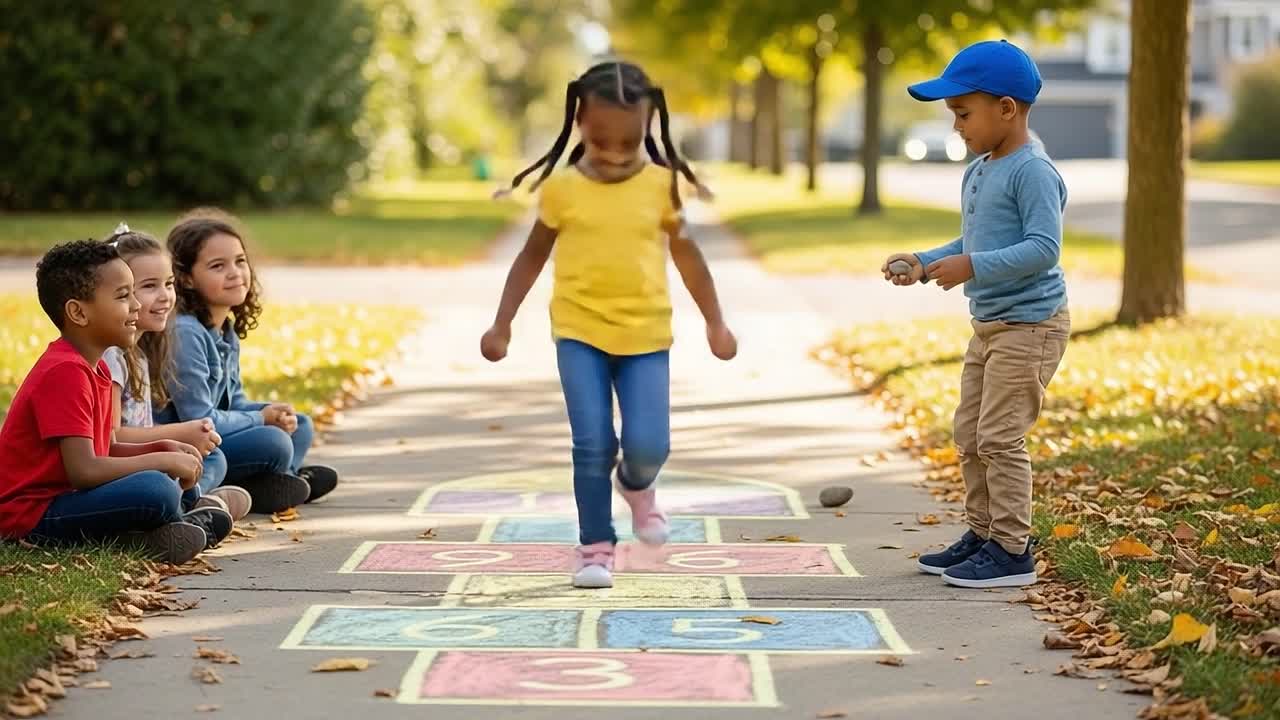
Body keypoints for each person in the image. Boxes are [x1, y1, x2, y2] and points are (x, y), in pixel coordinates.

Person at [481, 61, 737, 589]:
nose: (618, 154)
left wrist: (715, 322)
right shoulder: (563, 190)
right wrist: (502, 323)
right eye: (602, 140)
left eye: (630, 140)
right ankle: (595, 545)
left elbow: (689, 258)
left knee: (650, 446)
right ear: (579, 124)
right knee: (592, 442)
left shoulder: (663, 186)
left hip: (646, 334)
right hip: (579, 331)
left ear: (649, 125)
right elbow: (530, 258)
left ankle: (637, 486)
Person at [883, 40, 1071, 589]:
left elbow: (1043, 248)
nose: (957, 127)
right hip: (990, 325)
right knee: (969, 433)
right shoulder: (983, 168)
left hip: (1031, 326)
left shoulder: (1032, 171)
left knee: (1000, 437)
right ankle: (984, 533)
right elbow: (976, 239)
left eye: (964, 114)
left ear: (1006, 108)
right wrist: (925, 261)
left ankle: (1012, 550)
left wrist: (972, 266)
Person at [0, 240, 231, 562]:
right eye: (123, 296)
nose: (136, 305)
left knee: (168, 471)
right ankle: (154, 529)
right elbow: (84, 470)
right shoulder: (64, 371)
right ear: (78, 312)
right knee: (155, 489)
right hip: (32, 514)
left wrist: (163, 448)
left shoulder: (97, 367)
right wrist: (158, 462)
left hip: (68, 496)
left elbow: (105, 447)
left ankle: (160, 530)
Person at [158, 211, 338, 514]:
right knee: (274, 442)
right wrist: (261, 420)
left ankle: (271, 484)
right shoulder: (185, 332)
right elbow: (198, 418)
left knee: (301, 425)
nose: (235, 272)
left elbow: (234, 401)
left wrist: (270, 412)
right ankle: (274, 482)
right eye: (218, 266)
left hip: (218, 435)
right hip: (194, 445)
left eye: (240, 261)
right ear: (186, 278)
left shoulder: (224, 329)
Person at [102, 225, 251, 522]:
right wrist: (179, 433)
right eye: (149, 286)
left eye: (168, 284)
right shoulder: (112, 357)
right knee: (168, 477)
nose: (165, 296)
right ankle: (189, 506)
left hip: (142, 458)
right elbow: (111, 438)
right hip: (118, 467)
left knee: (212, 457)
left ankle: (193, 501)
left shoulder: (141, 353)